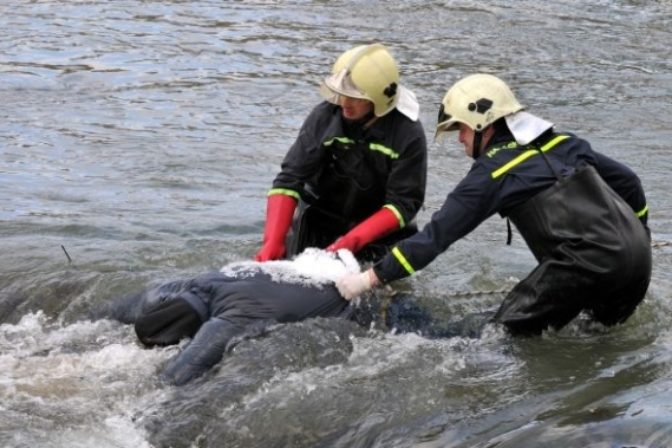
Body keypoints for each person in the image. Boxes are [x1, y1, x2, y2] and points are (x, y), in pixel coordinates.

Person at [336, 73, 652, 336]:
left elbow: (438, 235)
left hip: (584, 267)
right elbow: (629, 183)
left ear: (481, 126)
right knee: (593, 338)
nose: (459, 139)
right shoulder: (565, 143)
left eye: (460, 128)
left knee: (495, 339)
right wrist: (640, 237)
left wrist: (369, 279)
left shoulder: (494, 170)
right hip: (638, 264)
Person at [255, 43, 427, 263]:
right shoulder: (325, 117)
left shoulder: (407, 134)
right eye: (342, 92)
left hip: (378, 236)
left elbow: (403, 204)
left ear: (378, 99)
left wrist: (350, 243)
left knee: (382, 294)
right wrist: (273, 241)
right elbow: (288, 181)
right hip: (318, 223)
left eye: (355, 96)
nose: (345, 103)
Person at [106, 249, 361, 385]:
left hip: (344, 296)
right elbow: (118, 309)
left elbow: (179, 374)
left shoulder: (231, 317)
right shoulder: (201, 281)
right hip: (328, 267)